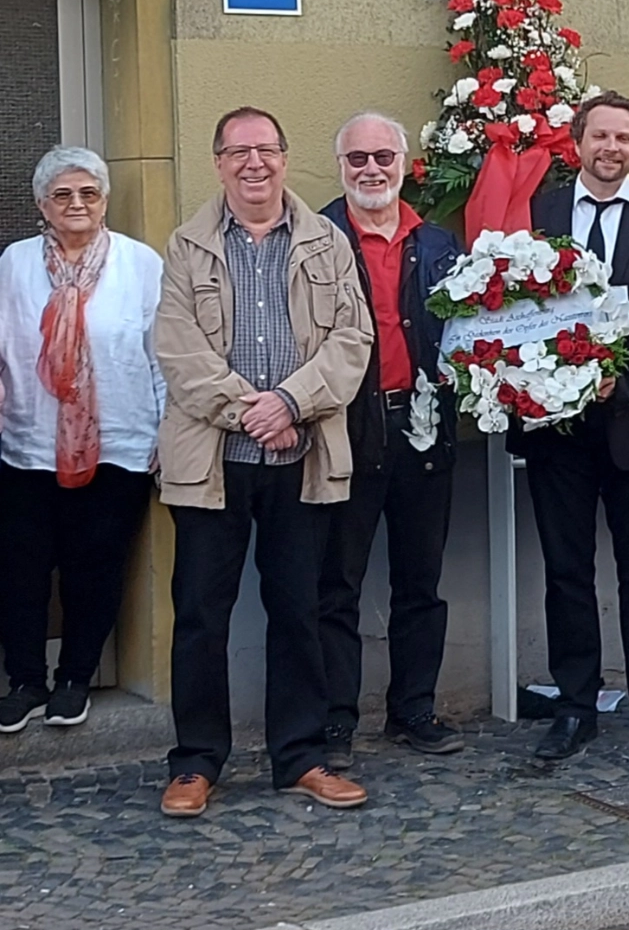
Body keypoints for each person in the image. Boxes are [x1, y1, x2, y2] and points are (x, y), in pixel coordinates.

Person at [154, 108, 374, 818]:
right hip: (212, 460)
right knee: (199, 614)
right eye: (238, 151)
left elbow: (353, 340)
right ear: (219, 162)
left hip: (300, 456)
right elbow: (178, 348)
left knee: (299, 610)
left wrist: (290, 403)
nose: (254, 162)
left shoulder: (328, 243)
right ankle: (195, 763)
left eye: (266, 149)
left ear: (284, 156)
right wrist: (249, 411)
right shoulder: (187, 246)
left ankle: (301, 756)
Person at [521, 90, 629, 762]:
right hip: (558, 429)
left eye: (624, 137)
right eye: (600, 135)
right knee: (566, 571)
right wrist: (545, 379)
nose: (611, 148)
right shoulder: (539, 214)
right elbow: (517, 307)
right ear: (577, 142)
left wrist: (620, 381)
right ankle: (576, 706)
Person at [317, 113, 464, 768]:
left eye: (383, 156)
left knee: (420, 583)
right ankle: (334, 721)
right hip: (343, 429)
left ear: (404, 163)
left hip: (422, 428)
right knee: (335, 586)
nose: (371, 169)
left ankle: (414, 710)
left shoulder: (438, 244)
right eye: (358, 158)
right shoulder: (315, 239)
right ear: (340, 166)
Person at [0, 147, 164, 734]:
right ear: (42, 205)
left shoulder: (140, 264)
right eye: (63, 194)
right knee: (19, 570)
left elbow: (161, 355)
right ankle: (25, 682)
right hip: (26, 444)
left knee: (93, 568)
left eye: (88, 193)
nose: (77, 204)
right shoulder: (15, 263)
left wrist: (166, 433)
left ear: (104, 201)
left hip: (118, 443)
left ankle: (74, 680)